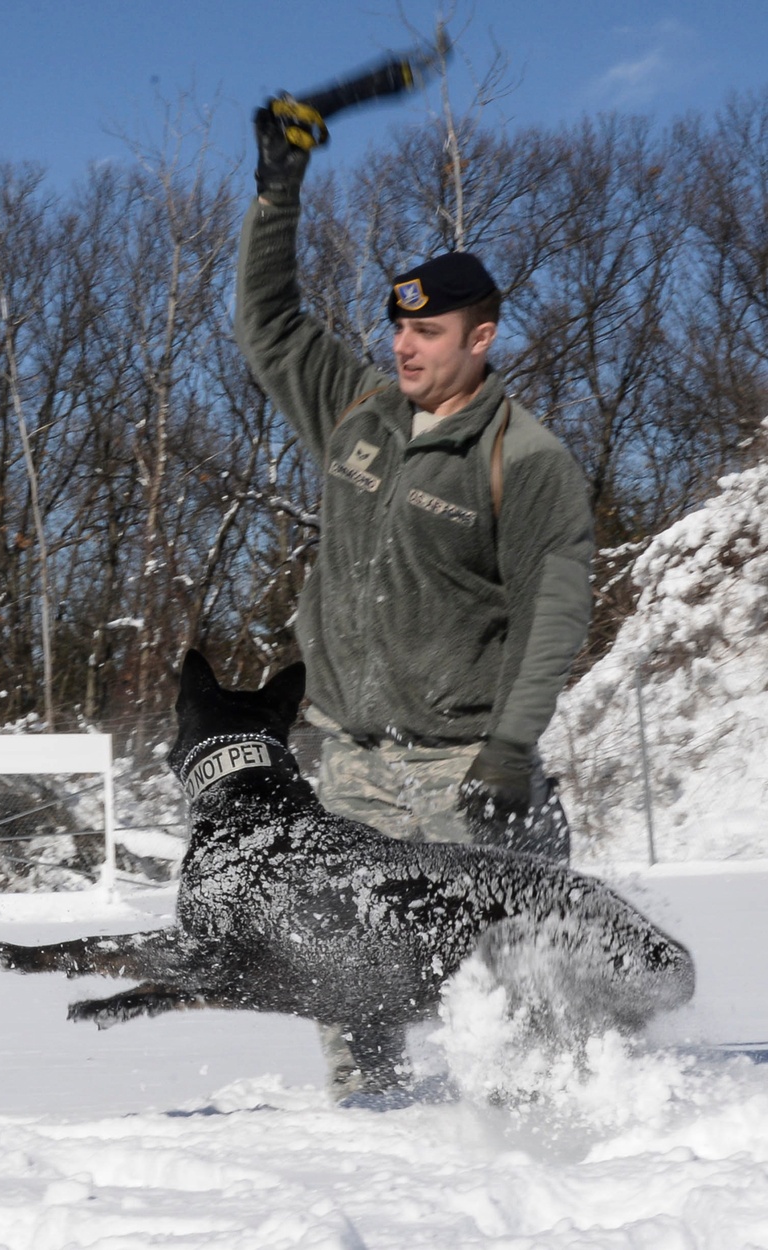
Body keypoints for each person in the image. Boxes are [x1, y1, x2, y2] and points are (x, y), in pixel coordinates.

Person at [233, 103, 594, 1094]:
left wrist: (509, 750)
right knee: (347, 979)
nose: (404, 345)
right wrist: (279, 187)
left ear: (482, 335)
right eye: (397, 325)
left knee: (528, 992)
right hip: (354, 763)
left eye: (427, 330)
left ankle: (585, 1151)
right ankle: (375, 1142)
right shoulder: (356, 413)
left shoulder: (524, 459)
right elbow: (265, 323)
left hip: (466, 767)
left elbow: (555, 612)